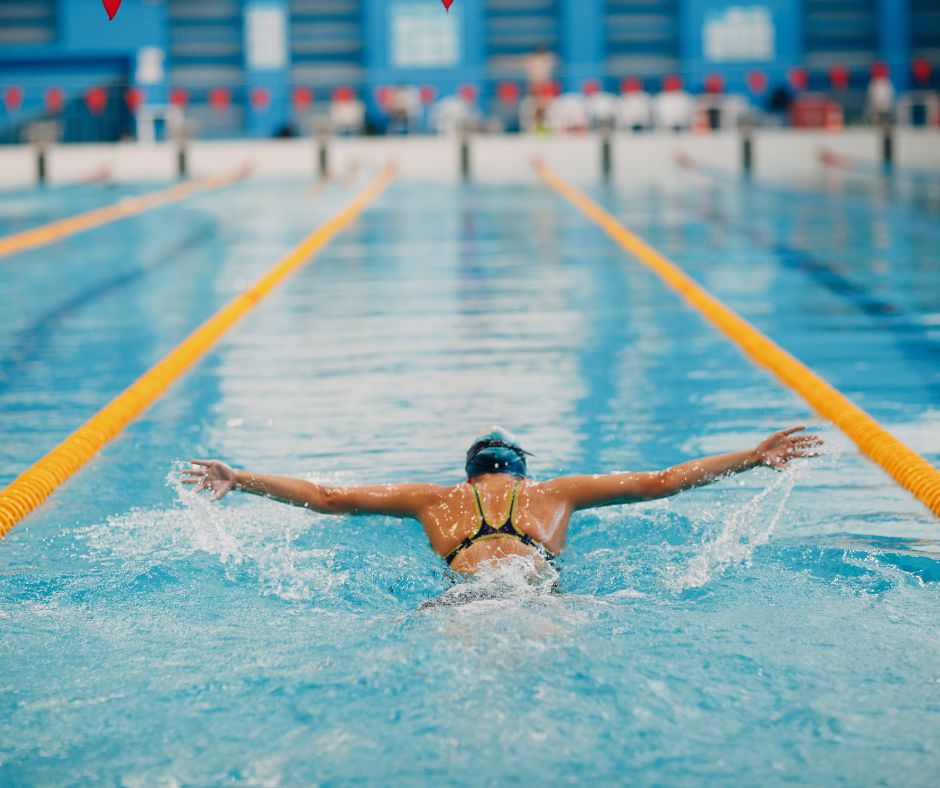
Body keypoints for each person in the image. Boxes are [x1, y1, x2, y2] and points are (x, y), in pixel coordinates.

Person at [182, 426, 822, 576]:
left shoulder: (434, 501)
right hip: (534, 587)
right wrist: (750, 457)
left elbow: (327, 496)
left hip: (459, 594)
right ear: (519, 472)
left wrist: (239, 477)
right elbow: (660, 480)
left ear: (470, 476)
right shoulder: (553, 494)